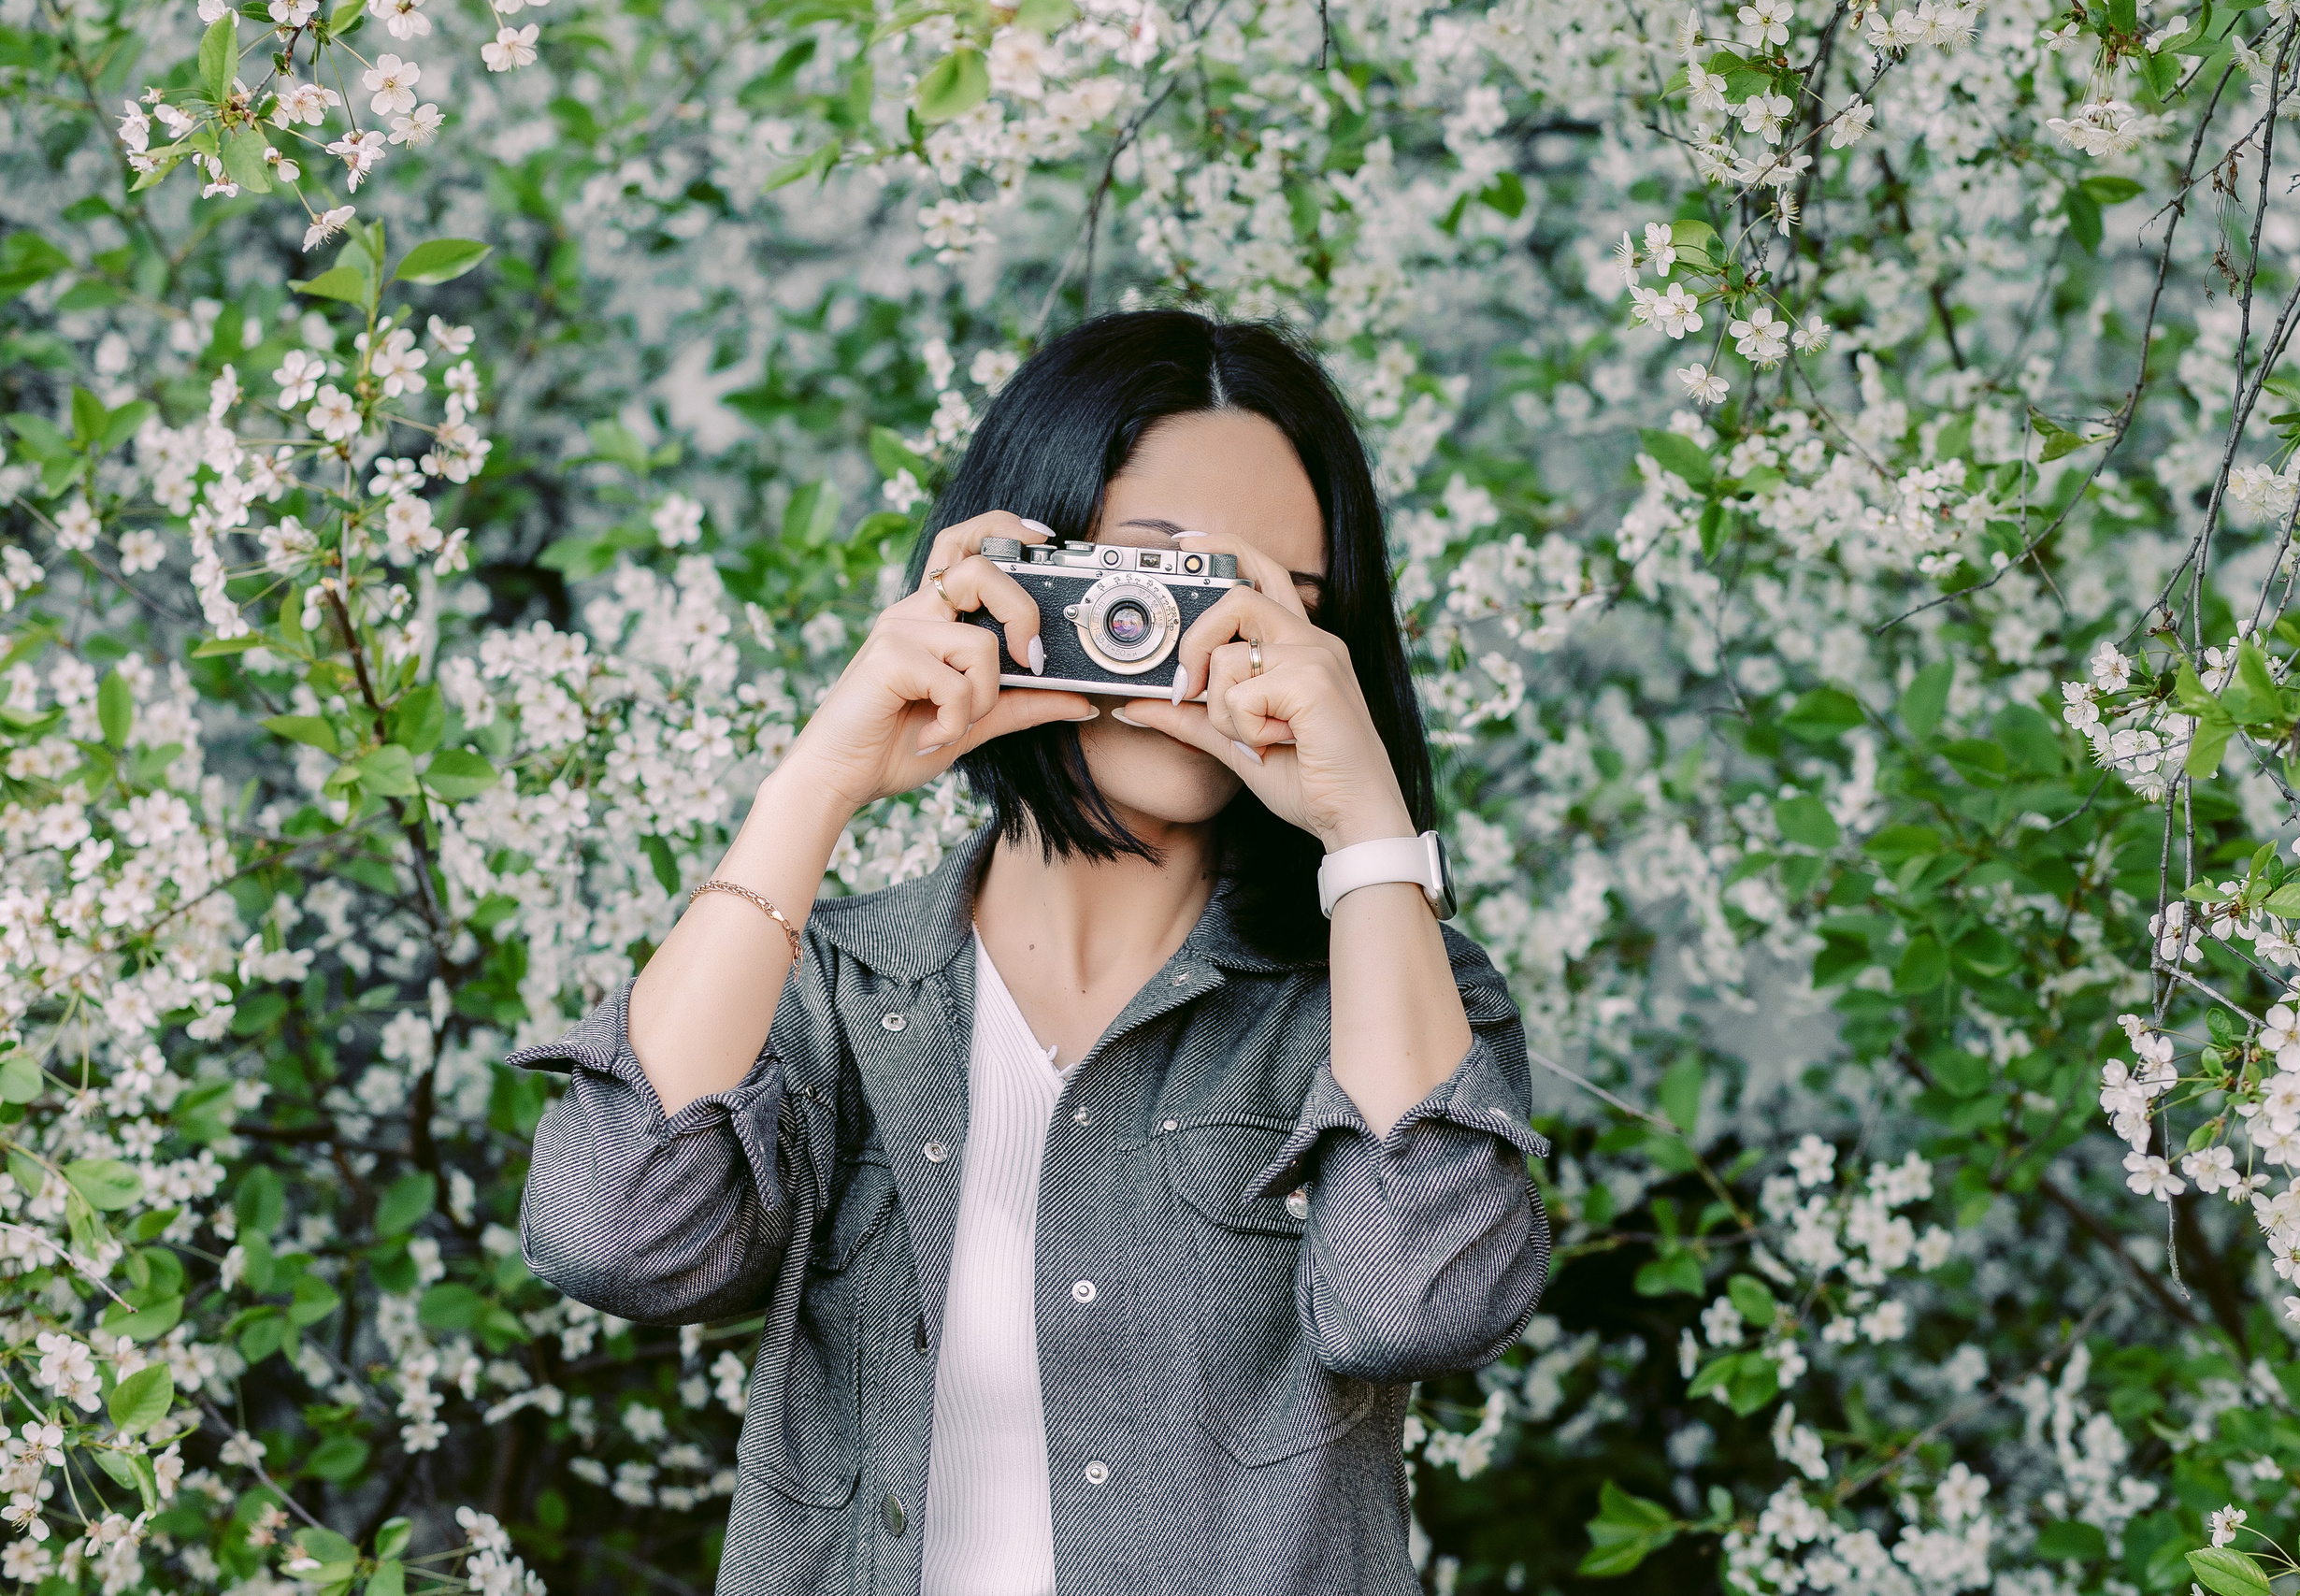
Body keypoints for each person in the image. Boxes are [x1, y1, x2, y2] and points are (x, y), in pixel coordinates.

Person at [512, 310, 1550, 1596]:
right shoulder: (837, 994)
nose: (1204, 648)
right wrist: (820, 781)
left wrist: (1368, 829)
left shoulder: (1390, 1010)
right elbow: (612, 1237)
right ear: (1022, 568)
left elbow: (1419, 1305)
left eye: (1276, 608)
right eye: (1153, 583)